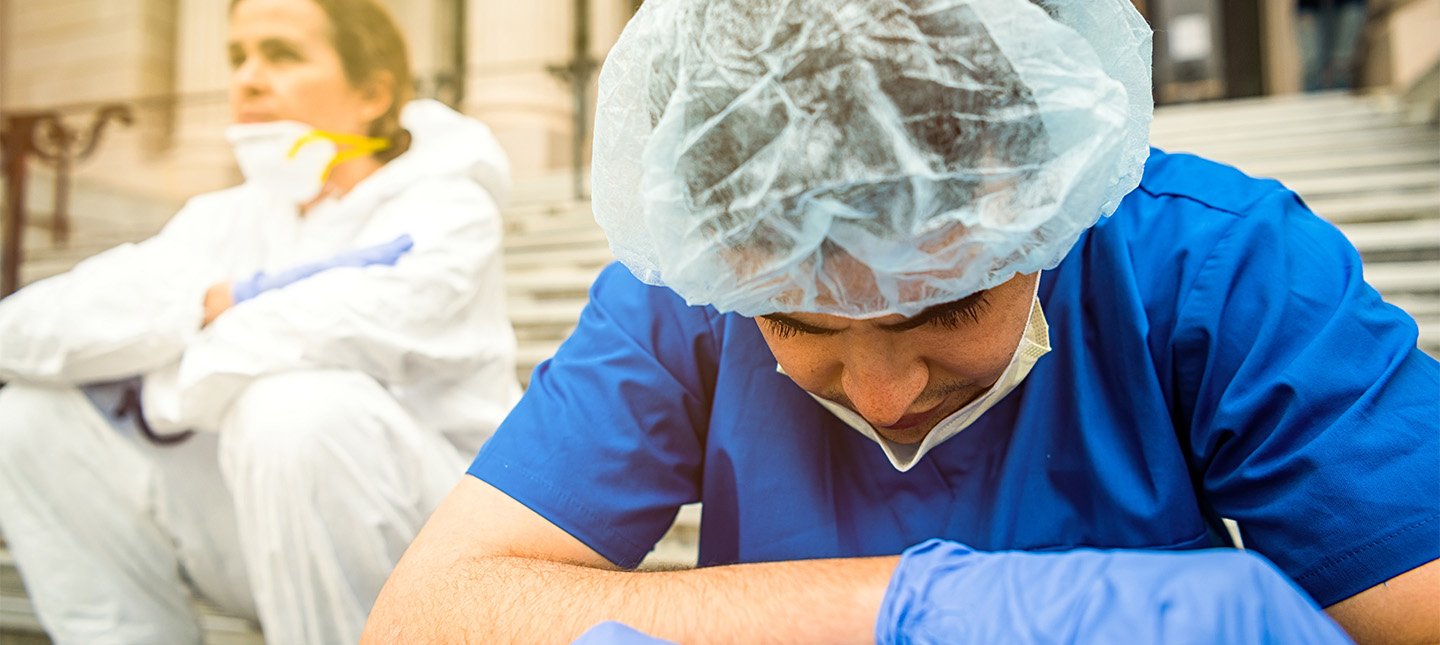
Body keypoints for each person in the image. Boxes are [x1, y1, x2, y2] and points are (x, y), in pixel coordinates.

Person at [365, 0, 1438, 642]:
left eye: (948, 304)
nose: (883, 401)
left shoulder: (1215, 262)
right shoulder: (685, 293)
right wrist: (942, 606)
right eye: (795, 325)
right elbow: (432, 614)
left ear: (1047, 205)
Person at [0, 0, 520, 642]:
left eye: (282, 54)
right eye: (237, 55)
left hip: (440, 553)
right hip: (261, 542)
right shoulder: (224, 218)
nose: (246, 78)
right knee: (29, 418)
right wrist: (207, 301)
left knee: (294, 407)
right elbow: (20, 330)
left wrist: (157, 386)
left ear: (372, 93)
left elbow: (339, 329)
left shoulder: (450, 208)